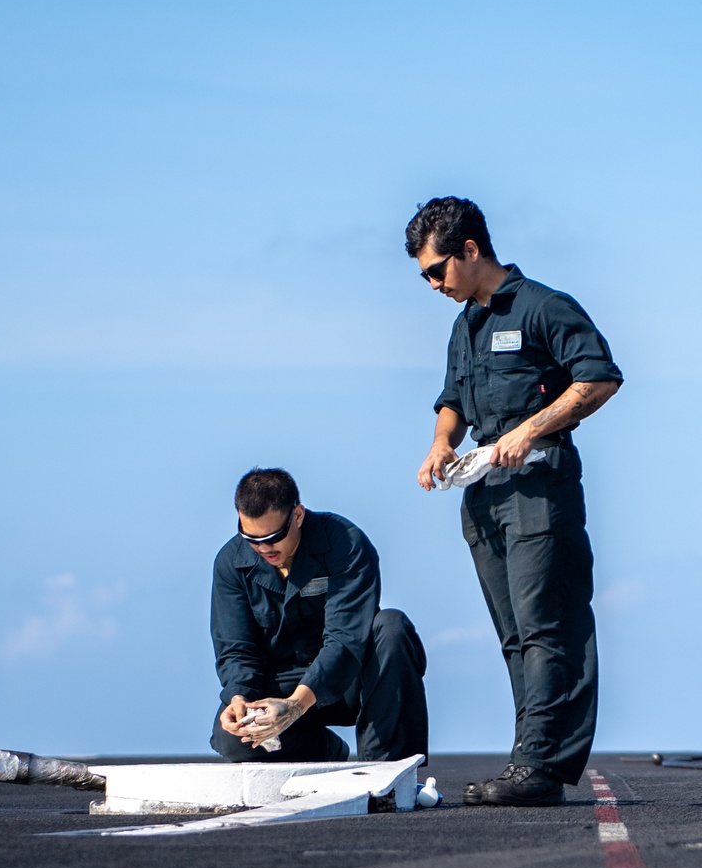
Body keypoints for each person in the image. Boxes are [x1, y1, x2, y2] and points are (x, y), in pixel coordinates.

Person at [405, 196, 622, 807]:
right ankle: (532, 766)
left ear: (470, 250)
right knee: (512, 635)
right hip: (482, 493)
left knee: (545, 628)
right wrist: (439, 445)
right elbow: (452, 399)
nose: (432, 284)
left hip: (538, 488)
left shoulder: (542, 307)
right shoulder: (463, 325)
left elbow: (599, 378)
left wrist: (531, 428)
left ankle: (538, 766)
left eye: (436, 270)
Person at [210, 467, 429, 763]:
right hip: (279, 683)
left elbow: (345, 639)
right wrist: (238, 699)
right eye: (251, 538)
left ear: (297, 515)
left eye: (274, 536)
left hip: (350, 679)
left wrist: (295, 705)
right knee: (233, 740)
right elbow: (236, 649)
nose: (263, 548)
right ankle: (326, 750)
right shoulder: (229, 562)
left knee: (391, 627)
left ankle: (389, 771)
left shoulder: (347, 543)